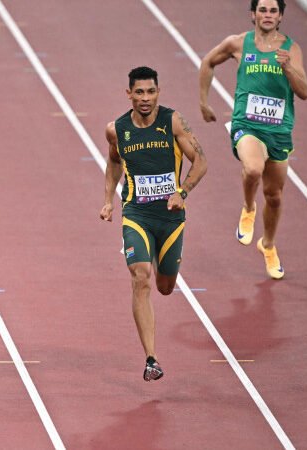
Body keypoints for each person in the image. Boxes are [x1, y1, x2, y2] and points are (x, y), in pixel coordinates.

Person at [100, 67, 208, 381]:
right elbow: (114, 162)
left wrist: (182, 192)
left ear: (158, 92)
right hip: (136, 214)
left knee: (164, 287)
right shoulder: (117, 129)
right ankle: (151, 359)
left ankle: (162, 258)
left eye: (150, 92)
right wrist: (108, 200)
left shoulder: (173, 122)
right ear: (129, 94)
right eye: (139, 92)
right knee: (140, 278)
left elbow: (200, 161)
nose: (145, 98)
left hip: (171, 217)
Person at [199, 0, 307, 279]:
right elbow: (208, 62)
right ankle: (248, 208)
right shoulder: (238, 43)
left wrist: (288, 69)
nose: (268, 15)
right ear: (253, 14)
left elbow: (304, 92)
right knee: (252, 169)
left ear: (280, 16)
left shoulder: (291, 49)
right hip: (246, 124)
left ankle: (268, 245)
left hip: (279, 131)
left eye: (273, 11)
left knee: (274, 196)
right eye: (263, 10)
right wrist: (203, 102)